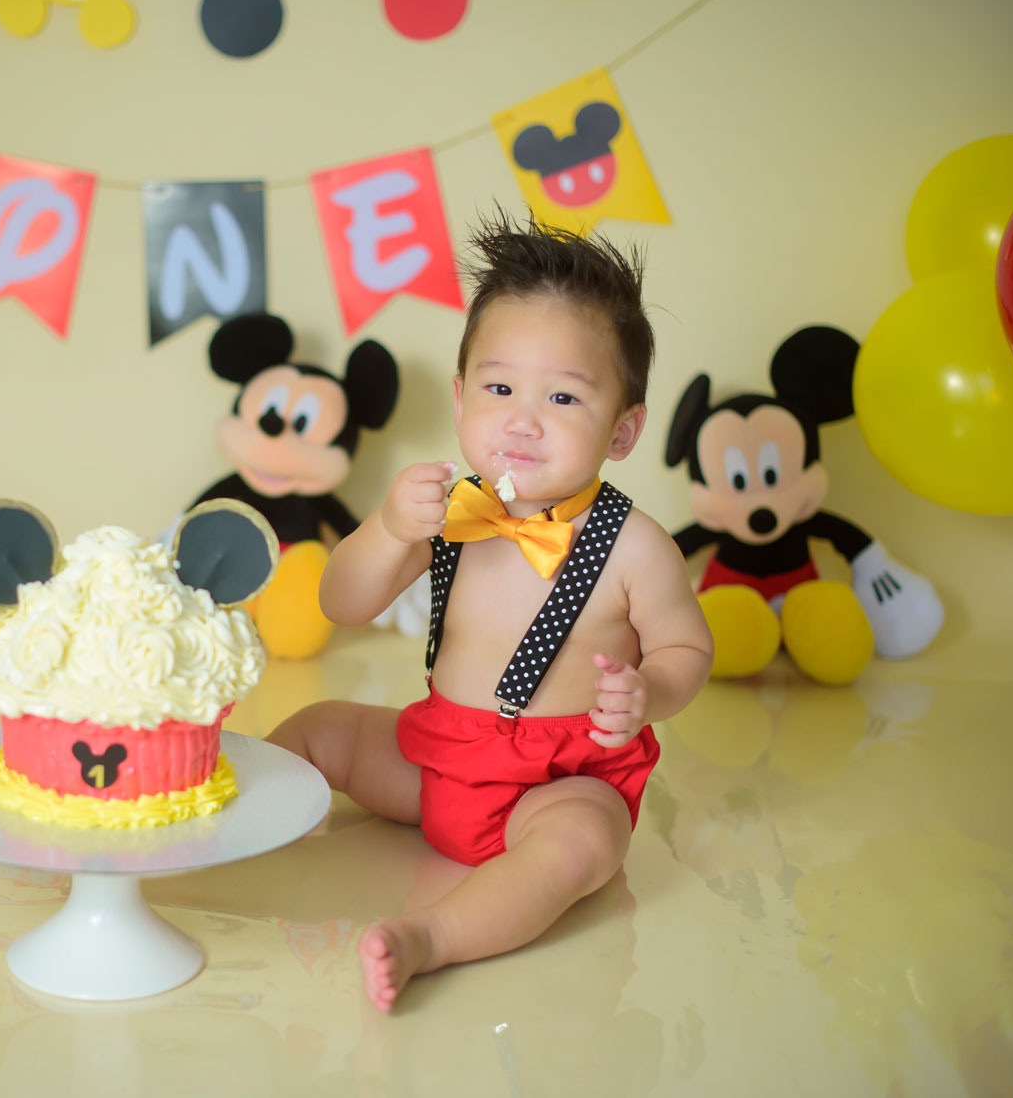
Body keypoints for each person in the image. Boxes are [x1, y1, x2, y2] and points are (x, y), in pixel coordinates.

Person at [268, 211, 713, 1011]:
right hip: (437, 754)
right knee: (319, 728)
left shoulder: (635, 546)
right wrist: (387, 527)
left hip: (555, 781)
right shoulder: (442, 510)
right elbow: (344, 601)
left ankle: (431, 936)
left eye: (564, 397)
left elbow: (688, 649)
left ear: (623, 430)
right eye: (499, 387)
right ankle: (228, 822)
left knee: (585, 844)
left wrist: (651, 692)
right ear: (461, 394)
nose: (522, 418)